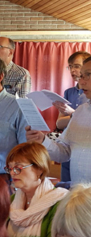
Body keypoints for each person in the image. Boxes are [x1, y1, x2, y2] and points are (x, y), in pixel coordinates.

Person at [5, 142, 67, 237]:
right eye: (10, 168)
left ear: (39, 169)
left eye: (18, 168)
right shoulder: (13, 201)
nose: (12, 173)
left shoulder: (59, 203)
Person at [26, 55, 91, 184]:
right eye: (81, 76)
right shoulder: (80, 112)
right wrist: (42, 140)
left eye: (88, 75)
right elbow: (64, 152)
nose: (82, 82)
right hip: (78, 197)